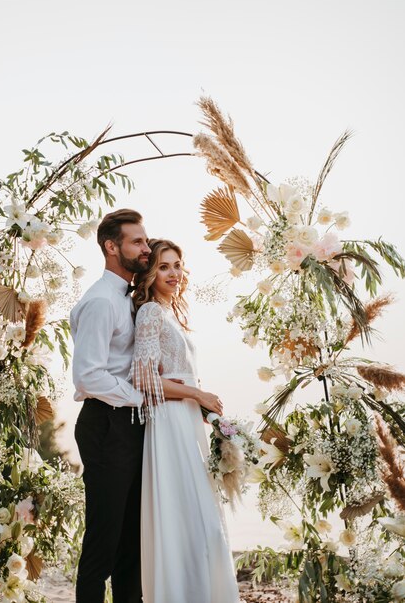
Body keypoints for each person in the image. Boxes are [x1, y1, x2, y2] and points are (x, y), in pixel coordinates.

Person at [71, 210, 222, 603]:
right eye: (137, 241)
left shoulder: (131, 300)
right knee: (103, 542)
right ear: (111, 246)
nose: (144, 248)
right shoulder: (101, 302)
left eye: (144, 241)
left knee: (131, 545)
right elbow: (89, 377)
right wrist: (151, 396)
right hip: (107, 424)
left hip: (136, 424)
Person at [130, 238, 240, 603]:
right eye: (163, 266)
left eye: (177, 265)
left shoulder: (171, 311)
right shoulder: (149, 313)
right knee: (187, 518)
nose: (173, 273)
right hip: (170, 425)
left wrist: (209, 410)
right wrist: (197, 395)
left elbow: (182, 374)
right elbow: (143, 379)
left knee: (203, 520)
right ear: (149, 273)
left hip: (189, 421)